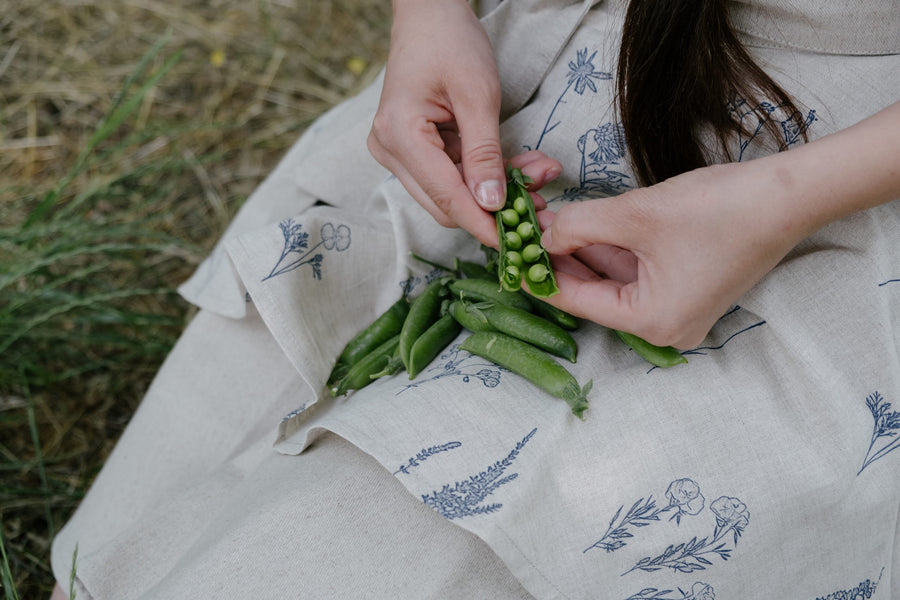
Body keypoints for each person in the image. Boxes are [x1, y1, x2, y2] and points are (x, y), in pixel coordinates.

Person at [51, 1, 899, 598]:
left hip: (841, 171)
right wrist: (429, 13)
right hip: (550, 66)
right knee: (123, 555)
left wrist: (785, 196)